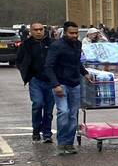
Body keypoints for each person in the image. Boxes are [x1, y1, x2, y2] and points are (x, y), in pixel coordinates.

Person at [44, 22, 88, 156]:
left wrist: (85, 73)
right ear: (65, 32)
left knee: (73, 115)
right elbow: (48, 66)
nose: (74, 35)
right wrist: (55, 84)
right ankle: (62, 143)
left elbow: (77, 62)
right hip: (61, 84)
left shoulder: (78, 44)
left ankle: (69, 143)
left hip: (75, 83)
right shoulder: (56, 46)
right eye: (71, 33)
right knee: (63, 112)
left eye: (76, 33)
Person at [17, 21, 55, 143]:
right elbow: (19, 61)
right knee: (37, 104)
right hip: (35, 80)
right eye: (35, 30)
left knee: (49, 110)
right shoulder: (26, 45)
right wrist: (27, 74)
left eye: (40, 29)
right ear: (31, 31)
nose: (38, 32)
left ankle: (47, 133)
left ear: (44, 30)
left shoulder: (52, 43)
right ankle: (36, 130)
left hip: (51, 80)